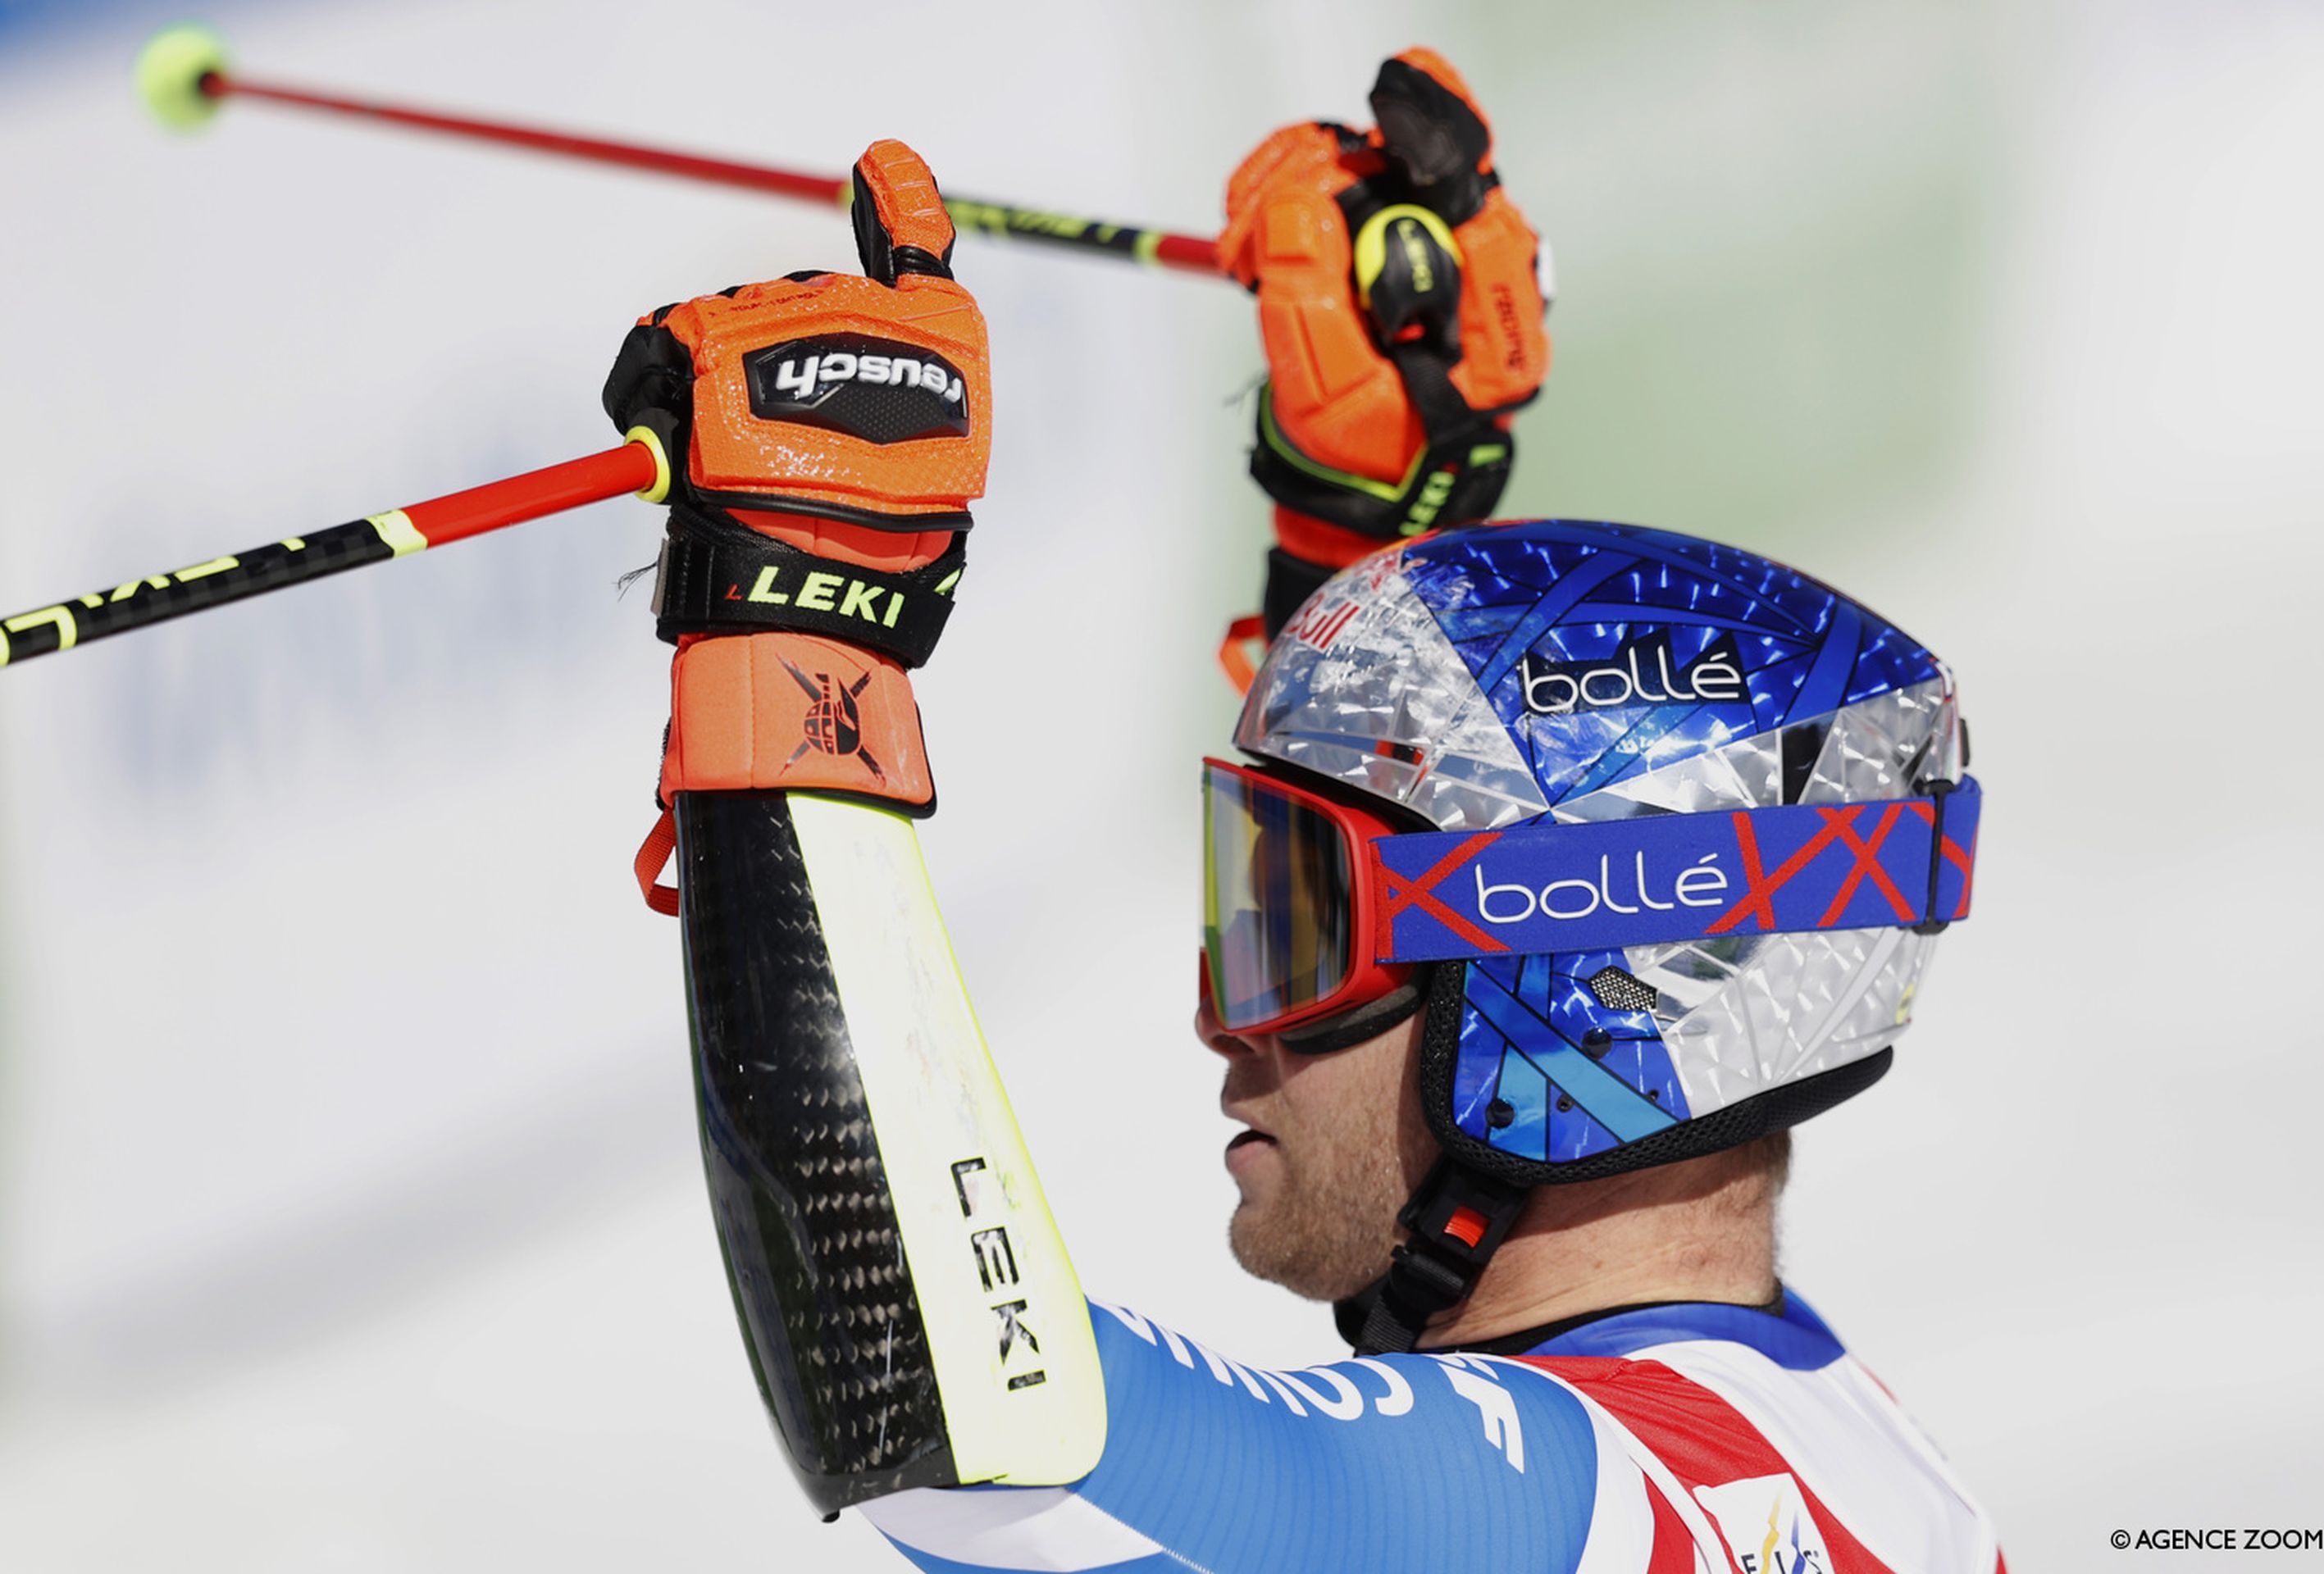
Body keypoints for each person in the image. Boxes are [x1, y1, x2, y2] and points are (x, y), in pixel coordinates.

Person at [607, 52, 2001, 1574]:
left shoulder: (1580, 1510)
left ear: (1585, 990)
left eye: (1303, 929)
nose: (1228, 1025)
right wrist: (1363, 548)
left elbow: (966, 1418)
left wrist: (788, 648)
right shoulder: (1800, 1455)